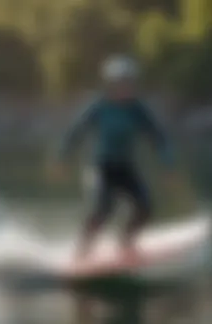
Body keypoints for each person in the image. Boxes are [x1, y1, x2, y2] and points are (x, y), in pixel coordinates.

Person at [51, 55, 175, 262]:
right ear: (111, 85)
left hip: (125, 168)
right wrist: (62, 158)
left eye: (130, 82)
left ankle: (126, 242)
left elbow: (158, 136)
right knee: (103, 208)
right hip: (101, 168)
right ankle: (82, 250)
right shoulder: (99, 106)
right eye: (122, 83)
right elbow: (75, 132)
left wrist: (168, 164)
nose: (127, 87)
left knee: (145, 207)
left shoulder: (138, 109)